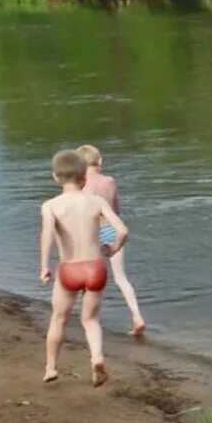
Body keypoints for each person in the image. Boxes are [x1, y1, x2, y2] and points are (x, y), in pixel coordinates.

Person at [39, 149, 127, 387]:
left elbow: (47, 234)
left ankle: (50, 368)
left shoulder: (51, 206)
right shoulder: (96, 201)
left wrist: (45, 266)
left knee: (59, 319)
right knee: (90, 320)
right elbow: (122, 230)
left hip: (70, 269)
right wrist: (113, 248)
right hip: (95, 268)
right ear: (84, 177)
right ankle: (97, 357)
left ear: (55, 177)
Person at [77, 144, 147, 336]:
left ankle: (91, 319)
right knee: (121, 277)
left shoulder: (83, 186)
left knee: (90, 278)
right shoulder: (110, 181)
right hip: (112, 229)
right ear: (99, 162)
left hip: (94, 232)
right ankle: (137, 316)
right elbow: (116, 209)